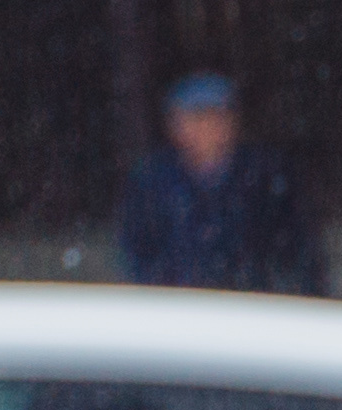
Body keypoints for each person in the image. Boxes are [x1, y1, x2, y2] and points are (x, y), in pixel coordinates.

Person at [119, 71, 321, 295]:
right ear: (173, 126)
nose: (205, 127)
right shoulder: (152, 179)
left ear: (232, 122)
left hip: (250, 302)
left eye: (214, 117)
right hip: (178, 303)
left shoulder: (264, 175)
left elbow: (296, 249)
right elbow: (137, 252)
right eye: (194, 118)